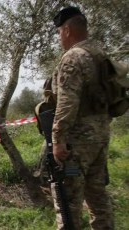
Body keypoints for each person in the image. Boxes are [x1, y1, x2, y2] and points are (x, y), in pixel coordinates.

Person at [49, 6, 115, 229]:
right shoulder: (100, 54)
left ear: (67, 30)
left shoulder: (73, 57)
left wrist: (58, 139)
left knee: (67, 201)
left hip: (76, 141)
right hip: (101, 134)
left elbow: (67, 102)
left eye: (59, 32)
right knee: (98, 197)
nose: (59, 37)